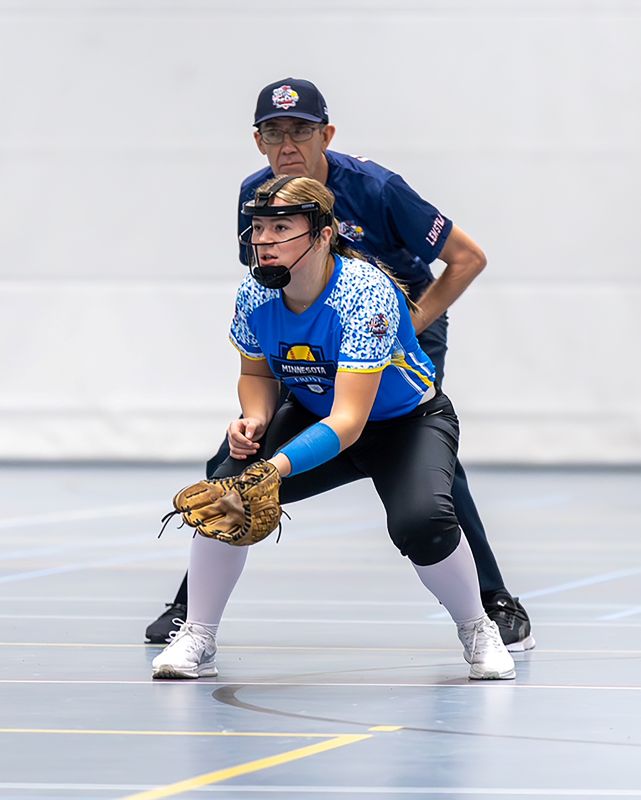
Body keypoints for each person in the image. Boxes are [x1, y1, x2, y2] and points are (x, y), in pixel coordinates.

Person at [145, 78, 534, 652]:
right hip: (313, 336)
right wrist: (255, 412)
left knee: (424, 461)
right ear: (258, 142)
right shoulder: (257, 198)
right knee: (231, 466)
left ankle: (492, 603)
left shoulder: (376, 189)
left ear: (326, 135)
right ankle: (193, 614)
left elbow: (467, 258)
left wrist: (409, 326)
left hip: (393, 327)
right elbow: (268, 311)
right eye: (274, 133)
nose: (288, 144)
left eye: (301, 131)